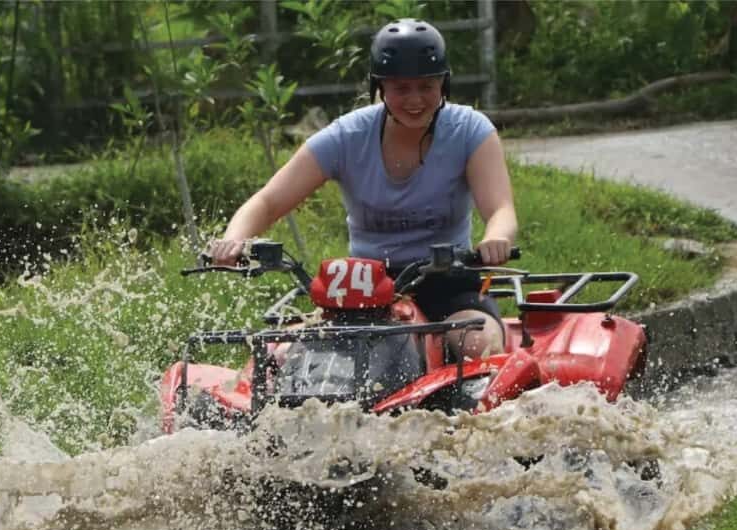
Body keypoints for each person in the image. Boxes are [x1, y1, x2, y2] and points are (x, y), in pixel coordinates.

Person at [210, 18, 517, 359]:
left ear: (444, 84)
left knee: (477, 344)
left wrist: (496, 238)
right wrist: (235, 239)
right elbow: (268, 201)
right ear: (380, 87)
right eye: (401, 88)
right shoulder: (347, 136)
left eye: (427, 86)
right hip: (363, 289)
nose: (415, 99)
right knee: (279, 356)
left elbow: (500, 209)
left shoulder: (470, 130)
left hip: (449, 283)